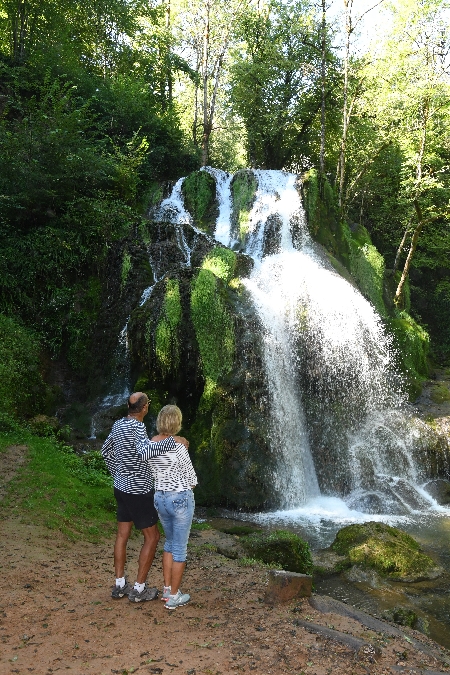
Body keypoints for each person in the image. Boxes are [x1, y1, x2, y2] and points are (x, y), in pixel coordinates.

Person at [101, 392, 189, 603]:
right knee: (153, 537)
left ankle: (120, 584)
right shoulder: (137, 427)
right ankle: (139, 589)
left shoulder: (119, 424)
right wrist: (172, 442)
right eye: (148, 403)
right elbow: (145, 451)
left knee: (123, 534)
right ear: (144, 408)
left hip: (121, 488)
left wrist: (119, 472)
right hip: (138, 491)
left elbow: (106, 451)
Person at [150, 405, 197, 610]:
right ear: (176, 423)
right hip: (179, 499)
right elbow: (192, 479)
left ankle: (167, 589)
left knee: (169, 544)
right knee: (179, 549)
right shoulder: (178, 448)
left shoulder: (151, 445)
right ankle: (175, 597)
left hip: (160, 498)